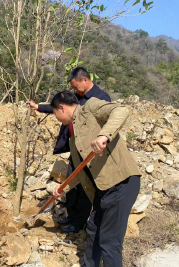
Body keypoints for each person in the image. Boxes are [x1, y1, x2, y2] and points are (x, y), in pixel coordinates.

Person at [50, 90, 141, 267]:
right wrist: (62, 189)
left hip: (121, 182)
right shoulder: (74, 137)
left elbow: (121, 110)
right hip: (103, 189)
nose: (57, 120)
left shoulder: (90, 108)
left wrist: (104, 135)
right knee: (94, 231)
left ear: (61, 108)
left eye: (55, 115)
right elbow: (80, 171)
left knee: (109, 240)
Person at [27, 67, 111, 233]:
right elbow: (59, 107)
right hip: (75, 148)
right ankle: (71, 216)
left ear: (85, 80)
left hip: (89, 152)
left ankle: (79, 222)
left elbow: (108, 123)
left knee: (84, 189)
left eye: (75, 86)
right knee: (72, 184)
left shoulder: (100, 99)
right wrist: (39, 107)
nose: (74, 89)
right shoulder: (77, 98)